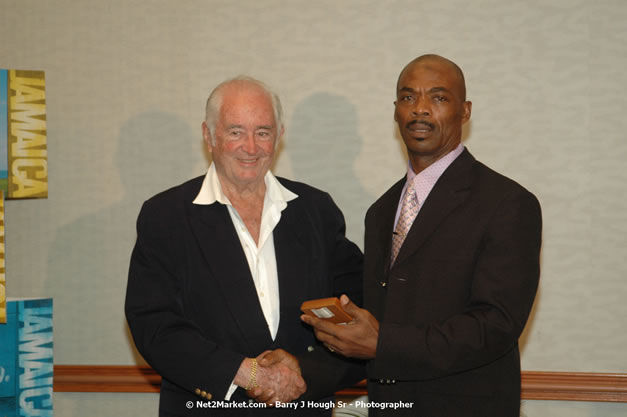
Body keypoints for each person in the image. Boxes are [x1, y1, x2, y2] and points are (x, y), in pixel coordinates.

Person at [301, 54, 543, 416]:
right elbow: (377, 324)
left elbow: (496, 325)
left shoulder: (507, 203)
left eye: (439, 97)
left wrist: (384, 343)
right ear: (396, 110)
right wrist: (299, 369)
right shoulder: (381, 212)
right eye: (408, 97)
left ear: (465, 111)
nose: (421, 110)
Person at [125, 76, 364, 416]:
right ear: (209, 135)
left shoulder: (315, 211)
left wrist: (303, 371)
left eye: (263, 132)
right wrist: (245, 373)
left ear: (279, 138)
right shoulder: (165, 217)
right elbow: (154, 327)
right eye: (235, 131)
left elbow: (359, 315)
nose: (250, 147)